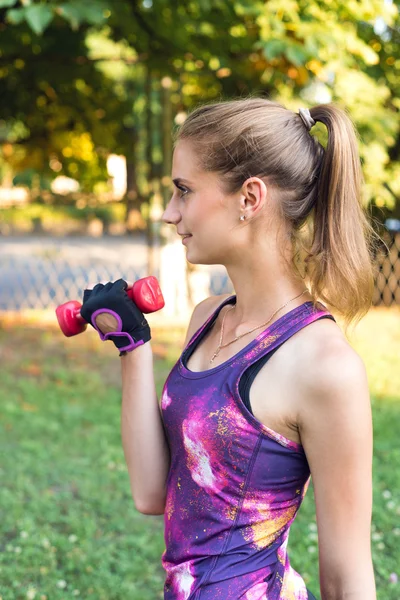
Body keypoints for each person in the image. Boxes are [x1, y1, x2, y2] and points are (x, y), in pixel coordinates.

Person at [81, 98, 377, 600]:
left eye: (184, 191)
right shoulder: (209, 319)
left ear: (249, 198)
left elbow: (347, 578)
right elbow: (152, 492)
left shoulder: (326, 366)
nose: (169, 212)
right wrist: (132, 346)